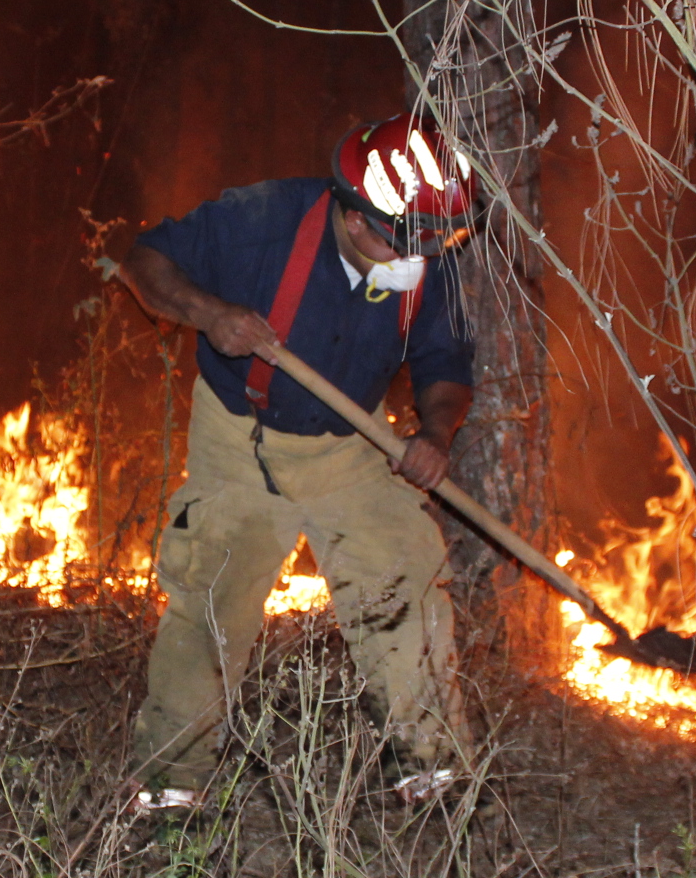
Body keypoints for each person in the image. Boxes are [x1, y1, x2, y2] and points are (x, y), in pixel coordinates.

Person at [119, 113, 478, 807]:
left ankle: (430, 772)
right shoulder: (263, 220)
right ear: (353, 216)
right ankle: (169, 789)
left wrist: (434, 434)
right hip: (239, 443)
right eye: (405, 239)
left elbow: (445, 362)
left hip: (353, 446)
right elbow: (144, 261)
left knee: (402, 574)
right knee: (211, 607)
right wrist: (208, 313)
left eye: (433, 240)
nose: (420, 257)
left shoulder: (425, 262)